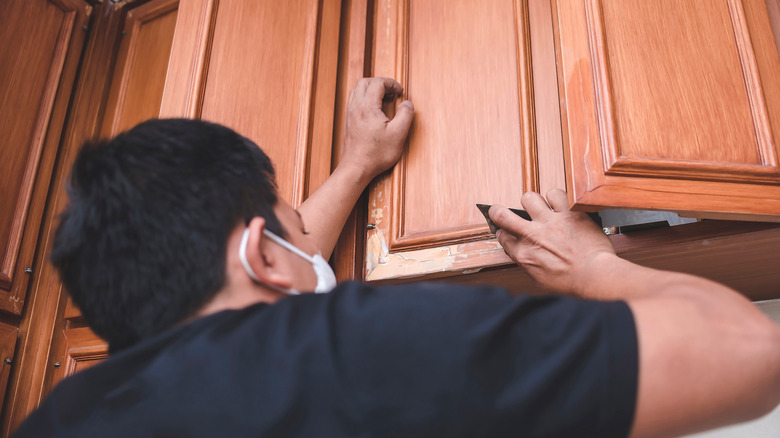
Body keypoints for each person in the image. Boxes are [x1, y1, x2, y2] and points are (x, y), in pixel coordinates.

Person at [14, 78, 780, 438]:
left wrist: (356, 166)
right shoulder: (353, 352)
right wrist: (593, 268)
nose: (301, 238)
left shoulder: (56, 421)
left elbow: (273, 262)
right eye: (287, 226)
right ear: (263, 255)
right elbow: (749, 354)